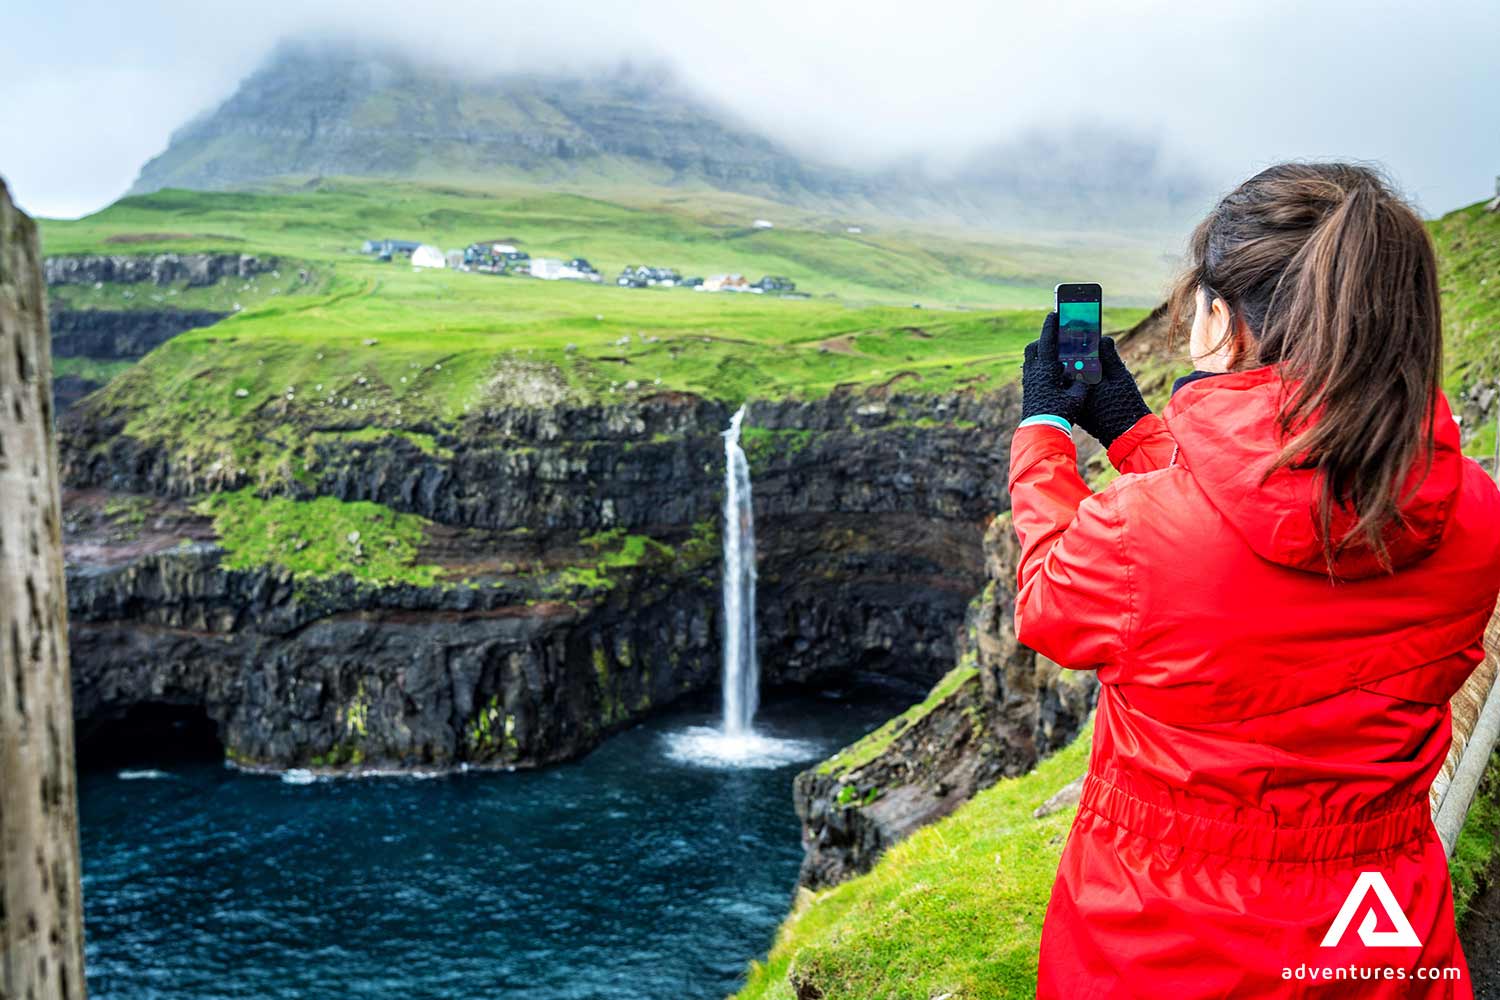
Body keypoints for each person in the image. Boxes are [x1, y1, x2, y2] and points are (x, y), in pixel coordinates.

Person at [1010, 163, 1500, 999]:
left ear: (1220, 319)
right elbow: (1278, 524)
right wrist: (1134, 435)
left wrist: (1046, 434)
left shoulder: (1138, 533)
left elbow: (1050, 602)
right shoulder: (1474, 514)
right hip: (1375, 934)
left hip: (1161, 944)